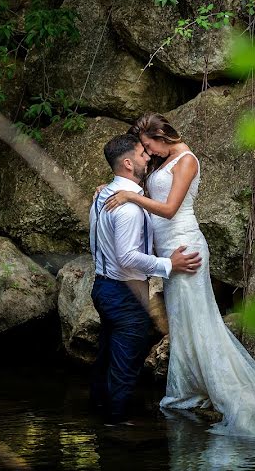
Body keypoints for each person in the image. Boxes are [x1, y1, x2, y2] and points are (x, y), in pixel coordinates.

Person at [102, 113, 255, 437]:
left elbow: (170, 208)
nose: (149, 153)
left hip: (185, 247)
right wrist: (113, 186)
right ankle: (189, 390)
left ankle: (228, 396)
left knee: (201, 323)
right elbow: (144, 186)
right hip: (169, 252)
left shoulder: (186, 160)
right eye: (144, 149)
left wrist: (130, 196)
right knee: (184, 325)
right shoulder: (164, 160)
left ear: (163, 137)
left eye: (149, 146)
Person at [89, 133, 202, 425]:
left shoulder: (103, 195)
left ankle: (98, 415)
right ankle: (117, 426)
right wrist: (169, 263)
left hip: (102, 287)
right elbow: (127, 257)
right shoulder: (126, 208)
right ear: (128, 163)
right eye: (142, 154)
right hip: (124, 294)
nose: (148, 158)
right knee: (125, 365)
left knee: (106, 358)